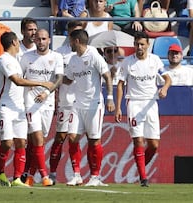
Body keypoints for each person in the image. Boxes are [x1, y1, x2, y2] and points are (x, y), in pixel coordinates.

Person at [0, 31, 54, 187]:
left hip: (19, 107)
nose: (19, 44)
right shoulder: (3, 60)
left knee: (21, 142)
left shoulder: (16, 60)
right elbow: (17, 81)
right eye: (18, 42)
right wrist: (42, 83)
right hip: (4, 107)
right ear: (13, 42)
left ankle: (18, 178)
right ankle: (0, 171)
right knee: (7, 142)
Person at [114, 31, 171, 187]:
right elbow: (120, 84)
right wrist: (118, 107)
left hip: (151, 103)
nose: (139, 47)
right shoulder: (127, 62)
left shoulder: (155, 60)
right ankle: (143, 177)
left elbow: (167, 77)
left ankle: (139, 168)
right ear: (134, 45)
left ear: (147, 45)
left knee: (154, 144)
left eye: (142, 44)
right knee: (138, 140)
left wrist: (165, 88)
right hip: (134, 102)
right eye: (137, 44)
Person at [64, 29, 115, 187]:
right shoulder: (73, 59)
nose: (69, 44)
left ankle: (95, 176)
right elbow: (67, 80)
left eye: (70, 41)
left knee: (94, 141)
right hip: (78, 104)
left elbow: (106, 75)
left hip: (94, 104)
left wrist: (110, 98)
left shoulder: (93, 54)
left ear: (77, 41)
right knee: (72, 137)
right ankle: (77, 175)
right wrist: (52, 78)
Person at [20, 29, 64, 187]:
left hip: (48, 102)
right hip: (30, 101)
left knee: (38, 141)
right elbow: (19, 78)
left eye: (44, 39)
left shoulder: (56, 57)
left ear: (49, 40)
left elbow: (59, 78)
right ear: (34, 40)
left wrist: (47, 92)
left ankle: (29, 176)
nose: (41, 42)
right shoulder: (26, 57)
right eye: (38, 39)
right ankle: (45, 176)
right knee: (37, 138)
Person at [48, 21, 84, 186]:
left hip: (82, 101)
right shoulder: (59, 54)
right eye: (73, 32)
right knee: (61, 137)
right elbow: (56, 78)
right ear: (69, 35)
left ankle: (77, 173)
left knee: (74, 138)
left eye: (79, 32)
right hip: (65, 100)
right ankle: (53, 173)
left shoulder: (89, 53)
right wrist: (55, 98)